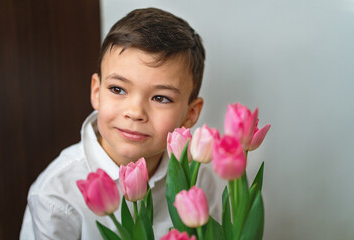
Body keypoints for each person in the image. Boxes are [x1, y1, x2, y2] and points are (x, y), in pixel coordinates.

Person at [20, 7, 225, 239]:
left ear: (191, 113)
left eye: (160, 98)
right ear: (96, 92)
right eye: (118, 89)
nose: (135, 112)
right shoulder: (56, 195)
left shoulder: (199, 179)